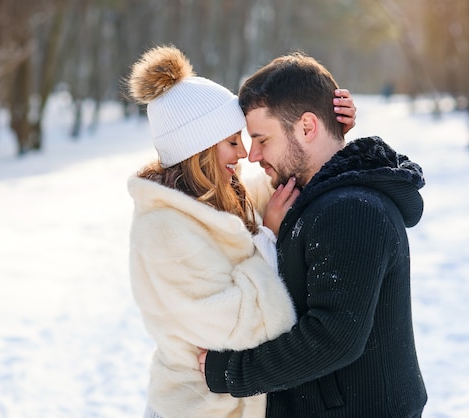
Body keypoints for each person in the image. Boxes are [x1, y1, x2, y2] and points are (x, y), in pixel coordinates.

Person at [126, 46, 356, 418]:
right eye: (233, 141)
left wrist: (329, 130)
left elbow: (292, 173)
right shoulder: (164, 229)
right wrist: (267, 237)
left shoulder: (224, 195)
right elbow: (244, 327)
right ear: (198, 150)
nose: (244, 153)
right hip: (199, 408)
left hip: (239, 403)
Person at [199, 52, 428, 417]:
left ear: (307, 127)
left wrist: (228, 371)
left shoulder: (352, 210)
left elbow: (332, 338)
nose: (253, 155)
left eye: (261, 139)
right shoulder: (316, 196)